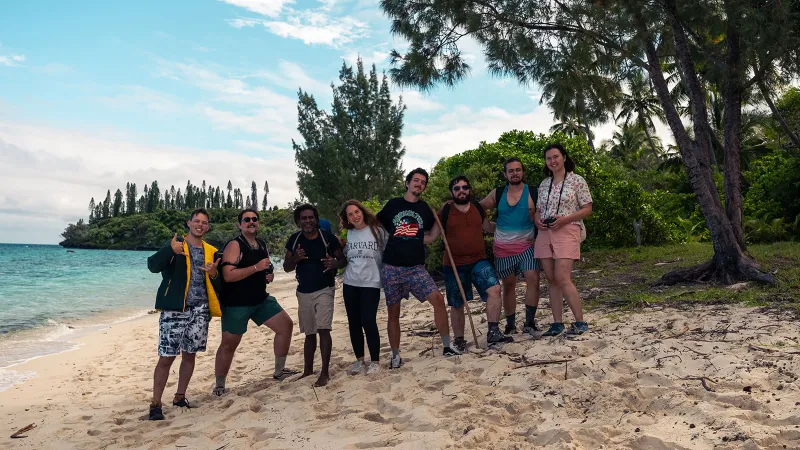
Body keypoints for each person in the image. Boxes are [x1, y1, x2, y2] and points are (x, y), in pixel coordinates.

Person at [378, 168, 461, 369]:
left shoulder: (424, 209)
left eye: (423, 182)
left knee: (438, 300)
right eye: (416, 180)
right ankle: (395, 356)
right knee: (393, 312)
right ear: (407, 183)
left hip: (416, 268)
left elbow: (431, 237)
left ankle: (447, 346)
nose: (419, 184)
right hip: (392, 267)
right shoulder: (393, 204)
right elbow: (376, 226)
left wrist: (441, 216)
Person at [146, 208, 222, 421]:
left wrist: (214, 274)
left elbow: (219, 284)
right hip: (175, 310)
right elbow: (152, 266)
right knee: (166, 357)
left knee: (190, 354)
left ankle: (180, 397)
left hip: (200, 310)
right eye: (196, 221)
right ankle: (155, 404)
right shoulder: (176, 245)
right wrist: (169, 251)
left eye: (204, 222)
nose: (200, 225)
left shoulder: (211, 251)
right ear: (189, 223)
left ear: (208, 227)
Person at [213, 209, 297, 396]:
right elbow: (228, 275)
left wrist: (268, 275)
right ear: (240, 224)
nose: (251, 222)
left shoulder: (261, 244)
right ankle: (219, 386)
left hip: (260, 299)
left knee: (285, 326)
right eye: (246, 220)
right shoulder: (235, 245)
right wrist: (256, 267)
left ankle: (280, 371)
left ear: (258, 222)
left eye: (254, 219)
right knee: (229, 345)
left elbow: (265, 268)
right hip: (236, 304)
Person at [439, 176, 510, 350]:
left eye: (464, 187)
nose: (461, 191)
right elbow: (433, 234)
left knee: (495, 289)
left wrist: (509, 225)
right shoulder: (445, 211)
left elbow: (488, 227)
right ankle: (459, 340)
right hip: (454, 265)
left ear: (469, 189)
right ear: (451, 192)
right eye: (457, 188)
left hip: (478, 261)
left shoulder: (477, 208)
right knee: (457, 303)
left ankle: (493, 332)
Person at [534, 143, 593, 336]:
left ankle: (580, 322)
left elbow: (587, 209)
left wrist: (564, 220)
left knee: (562, 277)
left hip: (567, 229)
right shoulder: (544, 184)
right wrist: (537, 221)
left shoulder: (577, 180)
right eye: (548, 158)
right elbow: (538, 210)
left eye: (556, 157)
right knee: (551, 279)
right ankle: (557, 323)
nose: (552, 161)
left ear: (564, 158)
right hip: (545, 232)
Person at [284, 204, 346, 387]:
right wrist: (295, 258)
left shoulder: (327, 238)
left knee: (324, 329)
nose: (307, 221)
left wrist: (335, 263)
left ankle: (324, 373)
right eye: (303, 218)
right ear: (298, 221)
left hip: (324, 288)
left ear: (316, 219)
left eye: (311, 217)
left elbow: (342, 260)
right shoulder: (294, 240)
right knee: (309, 333)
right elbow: (286, 267)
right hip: (303, 291)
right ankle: (308, 370)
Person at [480, 157, 542, 336]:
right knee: (508, 286)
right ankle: (510, 325)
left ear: (523, 172)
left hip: (527, 246)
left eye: (518, 170)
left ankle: (529, 323)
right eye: (511, 171)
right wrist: (488, 226)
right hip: (502, 249)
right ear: (505, 174)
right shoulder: (498, 193)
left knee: (533, 279)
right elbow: (478, 208)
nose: (515, 173)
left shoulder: (533, 192)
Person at [339, 200, 388, 375]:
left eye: (357, 212)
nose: (355, 216)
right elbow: (345, 256)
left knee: (368, 321)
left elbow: (388, 252)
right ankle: (360, 361)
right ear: (347, 219)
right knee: (354, 323)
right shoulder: (349, 234)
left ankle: (375, 362)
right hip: (350, 283)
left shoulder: (377, 231)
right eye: (350, 214)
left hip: (371, 282)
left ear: (362, 212)